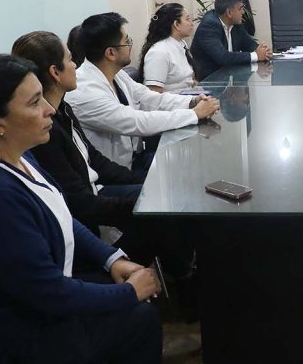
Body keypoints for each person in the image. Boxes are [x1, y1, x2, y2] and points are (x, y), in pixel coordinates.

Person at [0, 54, 162, 363]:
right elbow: (49, 292)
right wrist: (129, 293)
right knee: (139, 318)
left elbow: (61, 216)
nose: (49, 109)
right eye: (34, 103)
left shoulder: (19, 156)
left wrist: (111, 259)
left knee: (134, 305)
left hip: (33, 301)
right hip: (2, 337)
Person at [12, 32, 196, 282]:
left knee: (165, 197)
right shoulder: (47, 129)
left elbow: (94, 160)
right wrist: (145, 202)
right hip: (88, 213)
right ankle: (182, 278)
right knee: (162, 210)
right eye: (70, 59)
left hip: (95, 191)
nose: (75, 65)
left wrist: (142, 182)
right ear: (55, 72)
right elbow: (80, 204)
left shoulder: (64, 107)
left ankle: (182, 273)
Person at [65, 12, 219, 171]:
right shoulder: (84, 90)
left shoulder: (116, 74)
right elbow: (137, 122)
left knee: (190, 163)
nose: (130, 46)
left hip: (134, 159)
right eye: (127, 42)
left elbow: (151, 98)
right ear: (111, 53)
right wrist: (193, 114)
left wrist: (192, 102)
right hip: (112, 175)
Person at [191, 0, 272, 81]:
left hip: (231, 79)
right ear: (229, 12)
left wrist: (264, 52)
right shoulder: (209, 25)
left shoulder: (236, 24)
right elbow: (223, 57)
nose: (243, 12)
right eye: (240, 8)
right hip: (211, 83)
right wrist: (256, 56)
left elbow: (249, 44)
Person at [139, 3, 196, 93]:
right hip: (175, 101)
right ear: (176, 24)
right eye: (187, 19)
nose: (191, 24)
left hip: (188, 98)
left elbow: (187, 80)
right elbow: (155, 93)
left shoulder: (181, 43)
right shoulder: (159, 52)